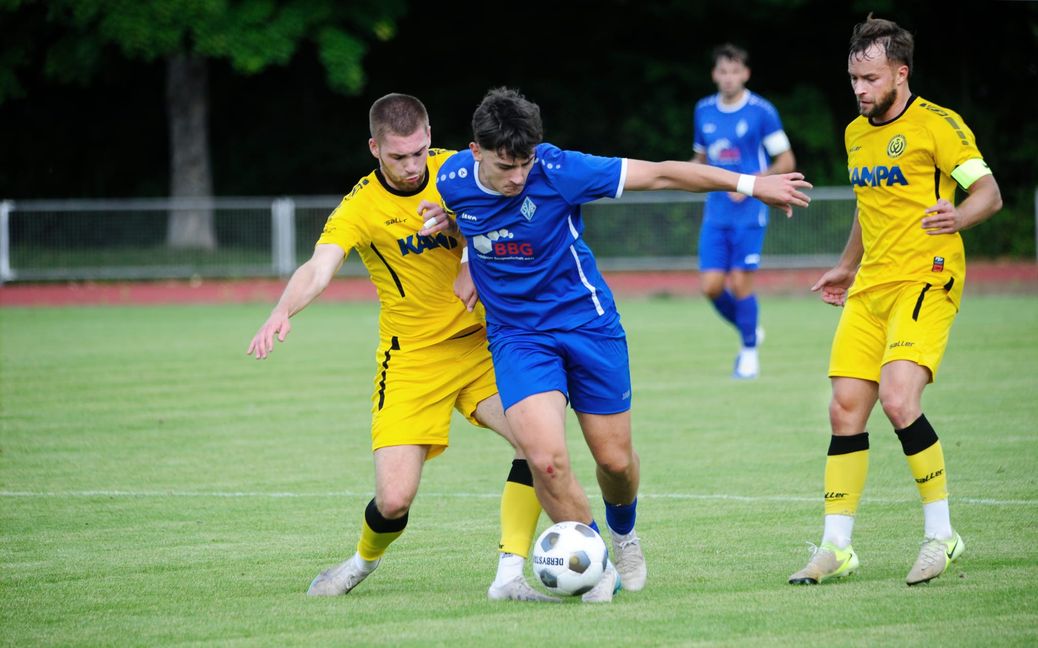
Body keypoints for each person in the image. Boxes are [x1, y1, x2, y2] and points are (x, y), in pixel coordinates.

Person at [434, 87, 811, 602]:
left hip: (588, 325)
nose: (518, 178)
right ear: (475, 152)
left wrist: (751, 182)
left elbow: (661, 173)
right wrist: (464, 260)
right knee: (545, 460)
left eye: (525, 164)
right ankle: (599, 568)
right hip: (518, 337)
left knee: (614, 462)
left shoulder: (559, 170)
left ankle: (625, 535)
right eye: (506, 167)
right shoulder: (451, 178)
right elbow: (461, 219)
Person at [246, 93, 556, 602]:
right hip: (412, 359)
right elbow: (320, 266)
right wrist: (283, 309)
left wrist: (467, 255)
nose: (412, 167)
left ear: (430, 136)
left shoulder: (461, 170)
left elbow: (513, 220)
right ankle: (360, 564)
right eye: (398, 157)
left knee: (539, 445)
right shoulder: (361, 207)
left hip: (486, 346)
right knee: (393, 500)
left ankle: (509, 575)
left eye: (418, 152)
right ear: (375, 149)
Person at [789, 15, 1002, 586]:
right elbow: (868, 202)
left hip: (926, 277)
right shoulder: (856, 133)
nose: (859, 89)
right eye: (854, 77)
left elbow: (988, 191)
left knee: (899, 399)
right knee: (843, 410)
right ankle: (837, 548)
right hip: (872, 285)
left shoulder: (938, 126)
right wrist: (846, 263)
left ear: (900, 73)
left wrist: (958, 215)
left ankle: (942, 536)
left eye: (870, 77)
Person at [690, 43, 797, 379]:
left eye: (735, 71)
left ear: (746, 74)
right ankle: (750, 329)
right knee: (710, 286)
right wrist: (681, 174)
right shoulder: (703, 110)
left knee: (740, 282)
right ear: (714, 74)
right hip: (716, 210)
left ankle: (748, 353)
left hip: (750, 209)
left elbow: (786, 161)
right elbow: (701, 160)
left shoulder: (761, 111)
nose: (728, 77)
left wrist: (750, 182)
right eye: (723, 71)